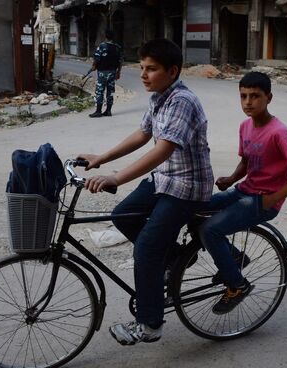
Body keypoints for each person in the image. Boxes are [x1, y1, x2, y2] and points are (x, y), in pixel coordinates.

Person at [77, 39, 213, 345]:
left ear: (172, 71)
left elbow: (163, 149)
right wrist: (102, 158)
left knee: (147, 250)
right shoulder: (159, 97)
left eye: (151, 69)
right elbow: (143, 134)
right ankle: (177, 258)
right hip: (165, 179)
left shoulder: (182, 102)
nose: (143, 75)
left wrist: (116, 177)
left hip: (186, 187)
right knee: (122, 215)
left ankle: (150, 324)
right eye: (142, 68)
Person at [199, 71, 287, 315]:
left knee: (210, 229)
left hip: (263, 200)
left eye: (255, 96)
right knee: (193, 208)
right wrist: (231, 178)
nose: (248, 102)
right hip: (244, 190)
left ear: (269, 98)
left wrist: (273, 198)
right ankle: (235, 258)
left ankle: (237, 285)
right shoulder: (245, 126)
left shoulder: (280, 133)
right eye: (243, 96)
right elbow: (246, 162)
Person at [89, 29, 123, 118]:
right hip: (112, 72)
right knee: (110, 92)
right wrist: (118, 72)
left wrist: (93, 66)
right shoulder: (117, 47)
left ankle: (98, 111)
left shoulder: (102, 46)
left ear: (105, 36)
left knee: (99, 91)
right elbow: (120, 61)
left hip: (102, 72)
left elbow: (96, 58)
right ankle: (108, 111)